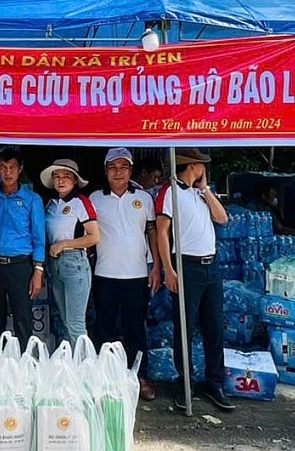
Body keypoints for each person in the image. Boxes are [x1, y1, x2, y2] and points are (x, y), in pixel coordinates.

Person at [155, 148, 232, 411]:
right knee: (184, 329)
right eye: (202, 166)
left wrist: (206, 190)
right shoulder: (170, 192)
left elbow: (222, 218)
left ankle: (214, 381)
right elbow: (162, 233)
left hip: (212, 265)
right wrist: (168, 269)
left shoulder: (200, 194)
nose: (205, 170)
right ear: (193, 166)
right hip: (186, 265)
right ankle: (184, 382)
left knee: (214, 327)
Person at [90, 148, 160, 401]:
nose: (118, 172)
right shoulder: (95, 198)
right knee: (105, 328)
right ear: (106, 170)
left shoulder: (144, 198)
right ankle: (108, 378)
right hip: (104, 273)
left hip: (137, 273)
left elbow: (152, 232)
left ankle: (139, 377)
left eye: (123, 167)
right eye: (113, 167)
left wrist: (157, 266)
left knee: (135, 328)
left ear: (130, 170)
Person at [0, 147, 45, 350]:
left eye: (12, 167)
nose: (8, 172)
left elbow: (39, 238)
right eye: (3, 167)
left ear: (20, 169)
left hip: (20, 266)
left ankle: (24, 366)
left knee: (23, 320)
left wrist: (38, 271)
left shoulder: (32, 199)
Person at [40, 158, 100, 347]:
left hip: (75, 263)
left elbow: (94, 237)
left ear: (75, 180)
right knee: (66, 321)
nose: (61, 180)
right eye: (57, 176)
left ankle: (85, 368)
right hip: (55, 264)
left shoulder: (81, 202)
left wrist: (64, 244)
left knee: (76, 324)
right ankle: (74, 365)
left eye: (66, 176)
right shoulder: (50, 205)